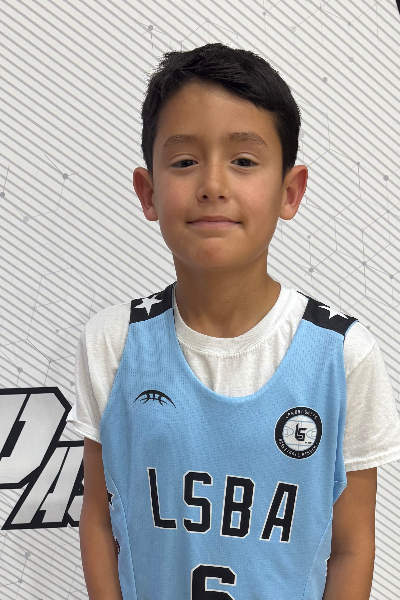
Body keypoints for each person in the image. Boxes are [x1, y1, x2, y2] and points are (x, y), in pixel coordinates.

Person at [67, 43, 400, 600]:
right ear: (148, 193)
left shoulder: (344, 356)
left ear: (290, 191)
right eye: (184, 162)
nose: (213, 185)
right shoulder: (113, 342)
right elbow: (99, 520)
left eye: (243, 161)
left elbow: (351, 547)